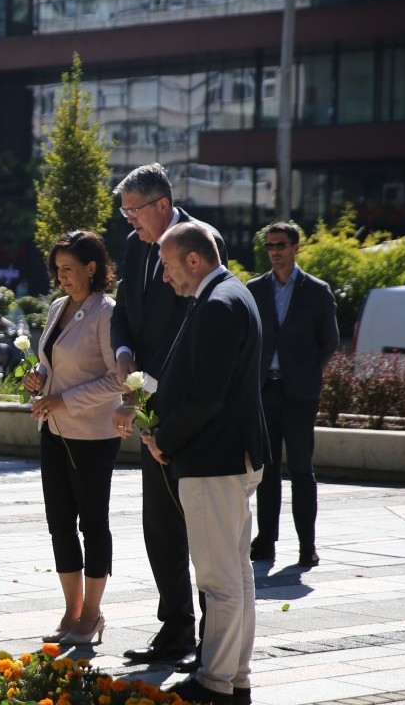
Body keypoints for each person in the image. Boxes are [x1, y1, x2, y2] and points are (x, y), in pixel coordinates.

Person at [141, 222, 267, 705]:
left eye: (169, 267)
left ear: (194, 260)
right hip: (227, 455)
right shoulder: (231, 294)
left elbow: (206, 394)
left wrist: (164, 439)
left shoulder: (218, 303)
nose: (166, 278)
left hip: (214, 458)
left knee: (219, 579)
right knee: (236, 574)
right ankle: (234, 677)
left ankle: (215, 681)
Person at [110, 163, 227, 669]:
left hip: (182, 409)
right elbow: (124, 313)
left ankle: (212, 637)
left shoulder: (199, 244)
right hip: (148, 403)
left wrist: (142, 394)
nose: (128, 222)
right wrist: (121, 351)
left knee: (197, 528)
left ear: (162, 206)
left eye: (133, 211)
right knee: (158, 524)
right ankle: (174, 627)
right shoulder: (138, 247)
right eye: (123, 213)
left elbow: (187, 335)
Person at [22, 231, 123, 646]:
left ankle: (94, 613)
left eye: (68, 268)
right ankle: (72, 611)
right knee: (59, 524)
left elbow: (117, 378)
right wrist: (39, 379)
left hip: (93, 434)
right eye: (56, 269)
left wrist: (66, 400)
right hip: (54, 431)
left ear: (92, 268)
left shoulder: (107, 312)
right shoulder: (57, 308)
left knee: (92, 524)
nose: (61, 277)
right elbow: (52, 363)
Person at [247, 222, 340, 567]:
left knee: (301, 470)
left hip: (300, 394)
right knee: (266, 471)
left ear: (296, 248)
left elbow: (329, 341)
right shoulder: (254, 290)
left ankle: (307, 546)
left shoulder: (316, 291)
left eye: (281, 245)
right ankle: (266, 542)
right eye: (270, 245)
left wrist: (306, 370)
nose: (275, 251)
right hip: (264, 390)